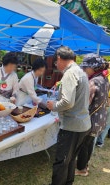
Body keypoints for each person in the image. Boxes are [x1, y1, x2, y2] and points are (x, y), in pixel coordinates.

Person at [47, 46, 91, 185]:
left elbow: (67, 102)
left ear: (59, 58)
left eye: (56, 62)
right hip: (82, 124)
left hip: (72, 126)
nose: (56, 66)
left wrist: (53, 105)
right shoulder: (80, 71)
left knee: (62, 161)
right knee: (70, 159)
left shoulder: (70, 73)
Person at [75, 54, 109, 176]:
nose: (84, 70)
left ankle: (81, 169)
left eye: (85, 67)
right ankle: (85, 165)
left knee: (84, 145)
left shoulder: (93, 81)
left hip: (91, 119)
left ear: (93, 67)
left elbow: (85, 103)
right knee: (89, 143)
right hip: (100, 118)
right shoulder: (104, 79)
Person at [96, 64, 110, 147]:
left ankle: (96, 139)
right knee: (107, 122)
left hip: (104, 100)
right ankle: (100, 141)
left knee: (99, 120)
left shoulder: (105, 74)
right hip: (105, 100)